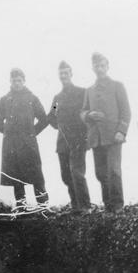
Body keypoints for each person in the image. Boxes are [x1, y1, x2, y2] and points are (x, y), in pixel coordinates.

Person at [81, 52, 131, 213]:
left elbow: (126, 111)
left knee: (114, 171)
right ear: (92, 68)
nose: (100, 68)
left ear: (107, 67)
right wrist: (89, 115)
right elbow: (82, 112)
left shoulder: (117, 86)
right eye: (96, 65)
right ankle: (108, 205)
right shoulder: (89, 90)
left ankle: (117, 205)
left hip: (113, 136)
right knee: (100, 172)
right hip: (97, 138)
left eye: (102, 65)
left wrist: (121, 131)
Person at [0, 68, 49, 208]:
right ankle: (21, 208)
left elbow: (44, 119)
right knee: (16, 178)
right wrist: (10, 133)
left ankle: (43, 207)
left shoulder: (32, 98)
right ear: (10, 82)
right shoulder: (5, 100)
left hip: (29, 144)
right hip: (11, 146)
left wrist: (31, 133)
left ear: (24, 81)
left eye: (19, 80)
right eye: (14, 81)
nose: (17, 83)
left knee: (37, 176)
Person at [48, 60, 90, 212]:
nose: (64, 76)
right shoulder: (57, 98)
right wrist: (58, 124)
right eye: (61, 73)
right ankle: (75, 206)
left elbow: (87, 112)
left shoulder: (82, 93)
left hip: (78, 140)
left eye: (66, 73)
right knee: (66, 176)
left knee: (77, 173)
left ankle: (85, 207)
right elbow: (51, 115)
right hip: (62, 142)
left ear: (71, 74)